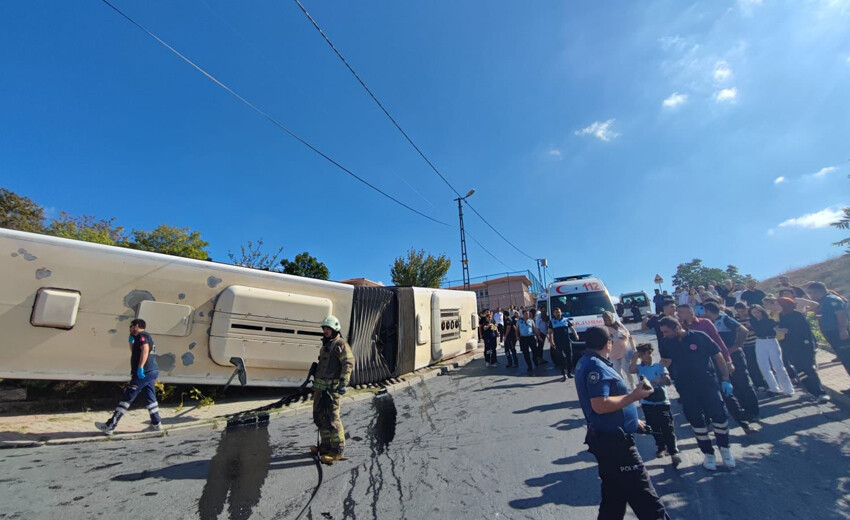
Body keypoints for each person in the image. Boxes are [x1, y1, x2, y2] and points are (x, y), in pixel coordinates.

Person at [575, 326, 671, 520]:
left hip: (610, 438)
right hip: (615, 444)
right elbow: (600, 405)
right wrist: (634, 396)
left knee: (614, 498)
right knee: (646, 498)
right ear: (608, 344)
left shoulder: (594, 362)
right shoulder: (595, 366)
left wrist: (633, 421)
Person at [658, 316, 736, 470]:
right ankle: (708, 454)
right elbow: (665, 362)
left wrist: (726, 378)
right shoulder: (666, 342)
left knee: (718, 415)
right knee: (695, 419)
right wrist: (660, 375)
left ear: (677, 327)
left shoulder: (699, 337)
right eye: (662, 332)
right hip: (685, 387)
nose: (664, 334)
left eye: (666, 331)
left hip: (707, 383)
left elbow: (717, 355)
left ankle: (725, 450)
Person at [676, 304, 755, 433]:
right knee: (704, 396)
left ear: (690, 311)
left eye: (681, 311)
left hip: (715, 360)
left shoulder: (705, 323)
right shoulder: (682, 328)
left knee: (727, 393)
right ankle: (707, 424)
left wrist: (728, 360)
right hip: (698, 366)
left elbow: (718, 342)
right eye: (677, 312)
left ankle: (744, 424)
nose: (678, 314)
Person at [96, 319, 162, 435]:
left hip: (144, 371)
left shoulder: (142, 335)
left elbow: (145, 350)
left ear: (137, 326)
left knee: (128, 396)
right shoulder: (145, 336)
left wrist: (140, 367)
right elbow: (135, 352)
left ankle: (110, 425)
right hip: (152, 371)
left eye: (131, 326)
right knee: (150, 397)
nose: (130, 328)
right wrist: (131, 343)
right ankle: (156, 424)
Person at [704, 302, 761, 423]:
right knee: (732, 383)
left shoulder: (724, 319)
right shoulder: (711, 323)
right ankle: (743, 411)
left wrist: (736, 346)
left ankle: (753, 411)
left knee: (743, 382)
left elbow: (743, 330)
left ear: (708, 311)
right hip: (722, 357)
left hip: (734, 355)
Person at [309, 315, 354, 464]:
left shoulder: (340, 344)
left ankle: (337, 451)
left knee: (333, 419)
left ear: (335, 329)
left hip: (332, 390)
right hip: (320, 389)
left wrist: (343, 383)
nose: (326, 331)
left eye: (328, 329)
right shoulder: (326, 345)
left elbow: (348, 363)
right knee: (320, 417)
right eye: (324, 329)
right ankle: (326, 446)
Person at [629, 343, 680, 465]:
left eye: (649, 352)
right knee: (654, 427)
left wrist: (659, 380)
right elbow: (631, 370)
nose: (648, 355)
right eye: (644, 354)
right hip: (647, 402)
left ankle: (673, 451)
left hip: (662, 401)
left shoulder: (659, 367)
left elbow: (667, 382)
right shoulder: (640, 368)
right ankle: (661, 447)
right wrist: (635, 357)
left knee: (667, 427)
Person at [776, 298, 830, 403]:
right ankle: (810, 391)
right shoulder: (781, 316)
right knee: (799, 371)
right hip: (789, 347)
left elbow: (805, 331)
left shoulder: (797, 315)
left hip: (803, 346)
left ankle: (821, 392)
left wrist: (789, 331)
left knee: (809, 369)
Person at [807, 282, 850, 388]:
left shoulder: (831, 300)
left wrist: (843, 330)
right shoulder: (822, 301)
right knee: (844, 358)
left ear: (819, 291)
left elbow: (841, 315)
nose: (811, 296)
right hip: (832, 332)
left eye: (812, 293)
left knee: (847, 358)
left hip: (838, 332)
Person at [748, 305, 795, 396]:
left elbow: (776, 328)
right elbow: (751, 331)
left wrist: (781, 330)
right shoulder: (752, 322)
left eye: (757, 312)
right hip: (760, 342)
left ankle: (788, 389)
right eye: (753, 313)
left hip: (771, 341)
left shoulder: (769, 320)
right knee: (764, 366)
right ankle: (773, 388)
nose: (756, 314)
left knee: (778, 365)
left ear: (762, 311)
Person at [734, 303, 768, 391]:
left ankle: (768, 382)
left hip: (756, 342)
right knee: (751, 365)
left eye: (743, 311)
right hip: (746, 344)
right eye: (739, 311)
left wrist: (752, 330)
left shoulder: (752, 317)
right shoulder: (736, 318)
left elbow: (759, 327)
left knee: (762, 363)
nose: (741, 313)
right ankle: (759, 384)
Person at [603, 312, 635, 390]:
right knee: (617, 371)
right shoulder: (604, 329)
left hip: (623, 350)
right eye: (606, 320)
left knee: (626, 369)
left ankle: (632, 385)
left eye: (609, 319)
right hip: (612, 352)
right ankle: (623, 387)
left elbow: (628, 334)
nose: (608, 322)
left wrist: (625, 337)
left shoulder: (619, 325)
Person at [548, 307, 579, 381]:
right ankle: (563, 373)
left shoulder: (566, 320)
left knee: (569, 357)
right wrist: (551, 342)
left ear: (561, 312)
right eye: (556, 312)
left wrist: (576, 335)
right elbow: (550, 333)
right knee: (560, 358)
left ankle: (569, 373)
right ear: (554, 313)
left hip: (567, 341)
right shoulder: (552, 321)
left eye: (558, 312)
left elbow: (572, 328)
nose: (557, 313)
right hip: (558, 342)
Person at [517, 310, 538, 375]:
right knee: (525, 353)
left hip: (531, 337)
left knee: (535, 350)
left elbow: (534, 329)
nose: (527, 315)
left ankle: (535, 360)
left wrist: (538, 336)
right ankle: (529, 366)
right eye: (526, 313)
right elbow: (517, 329)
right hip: (523, 338)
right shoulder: (519, 321)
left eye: (528, 313)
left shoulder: (531, 321)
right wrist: (517, 336)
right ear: (523, 314)